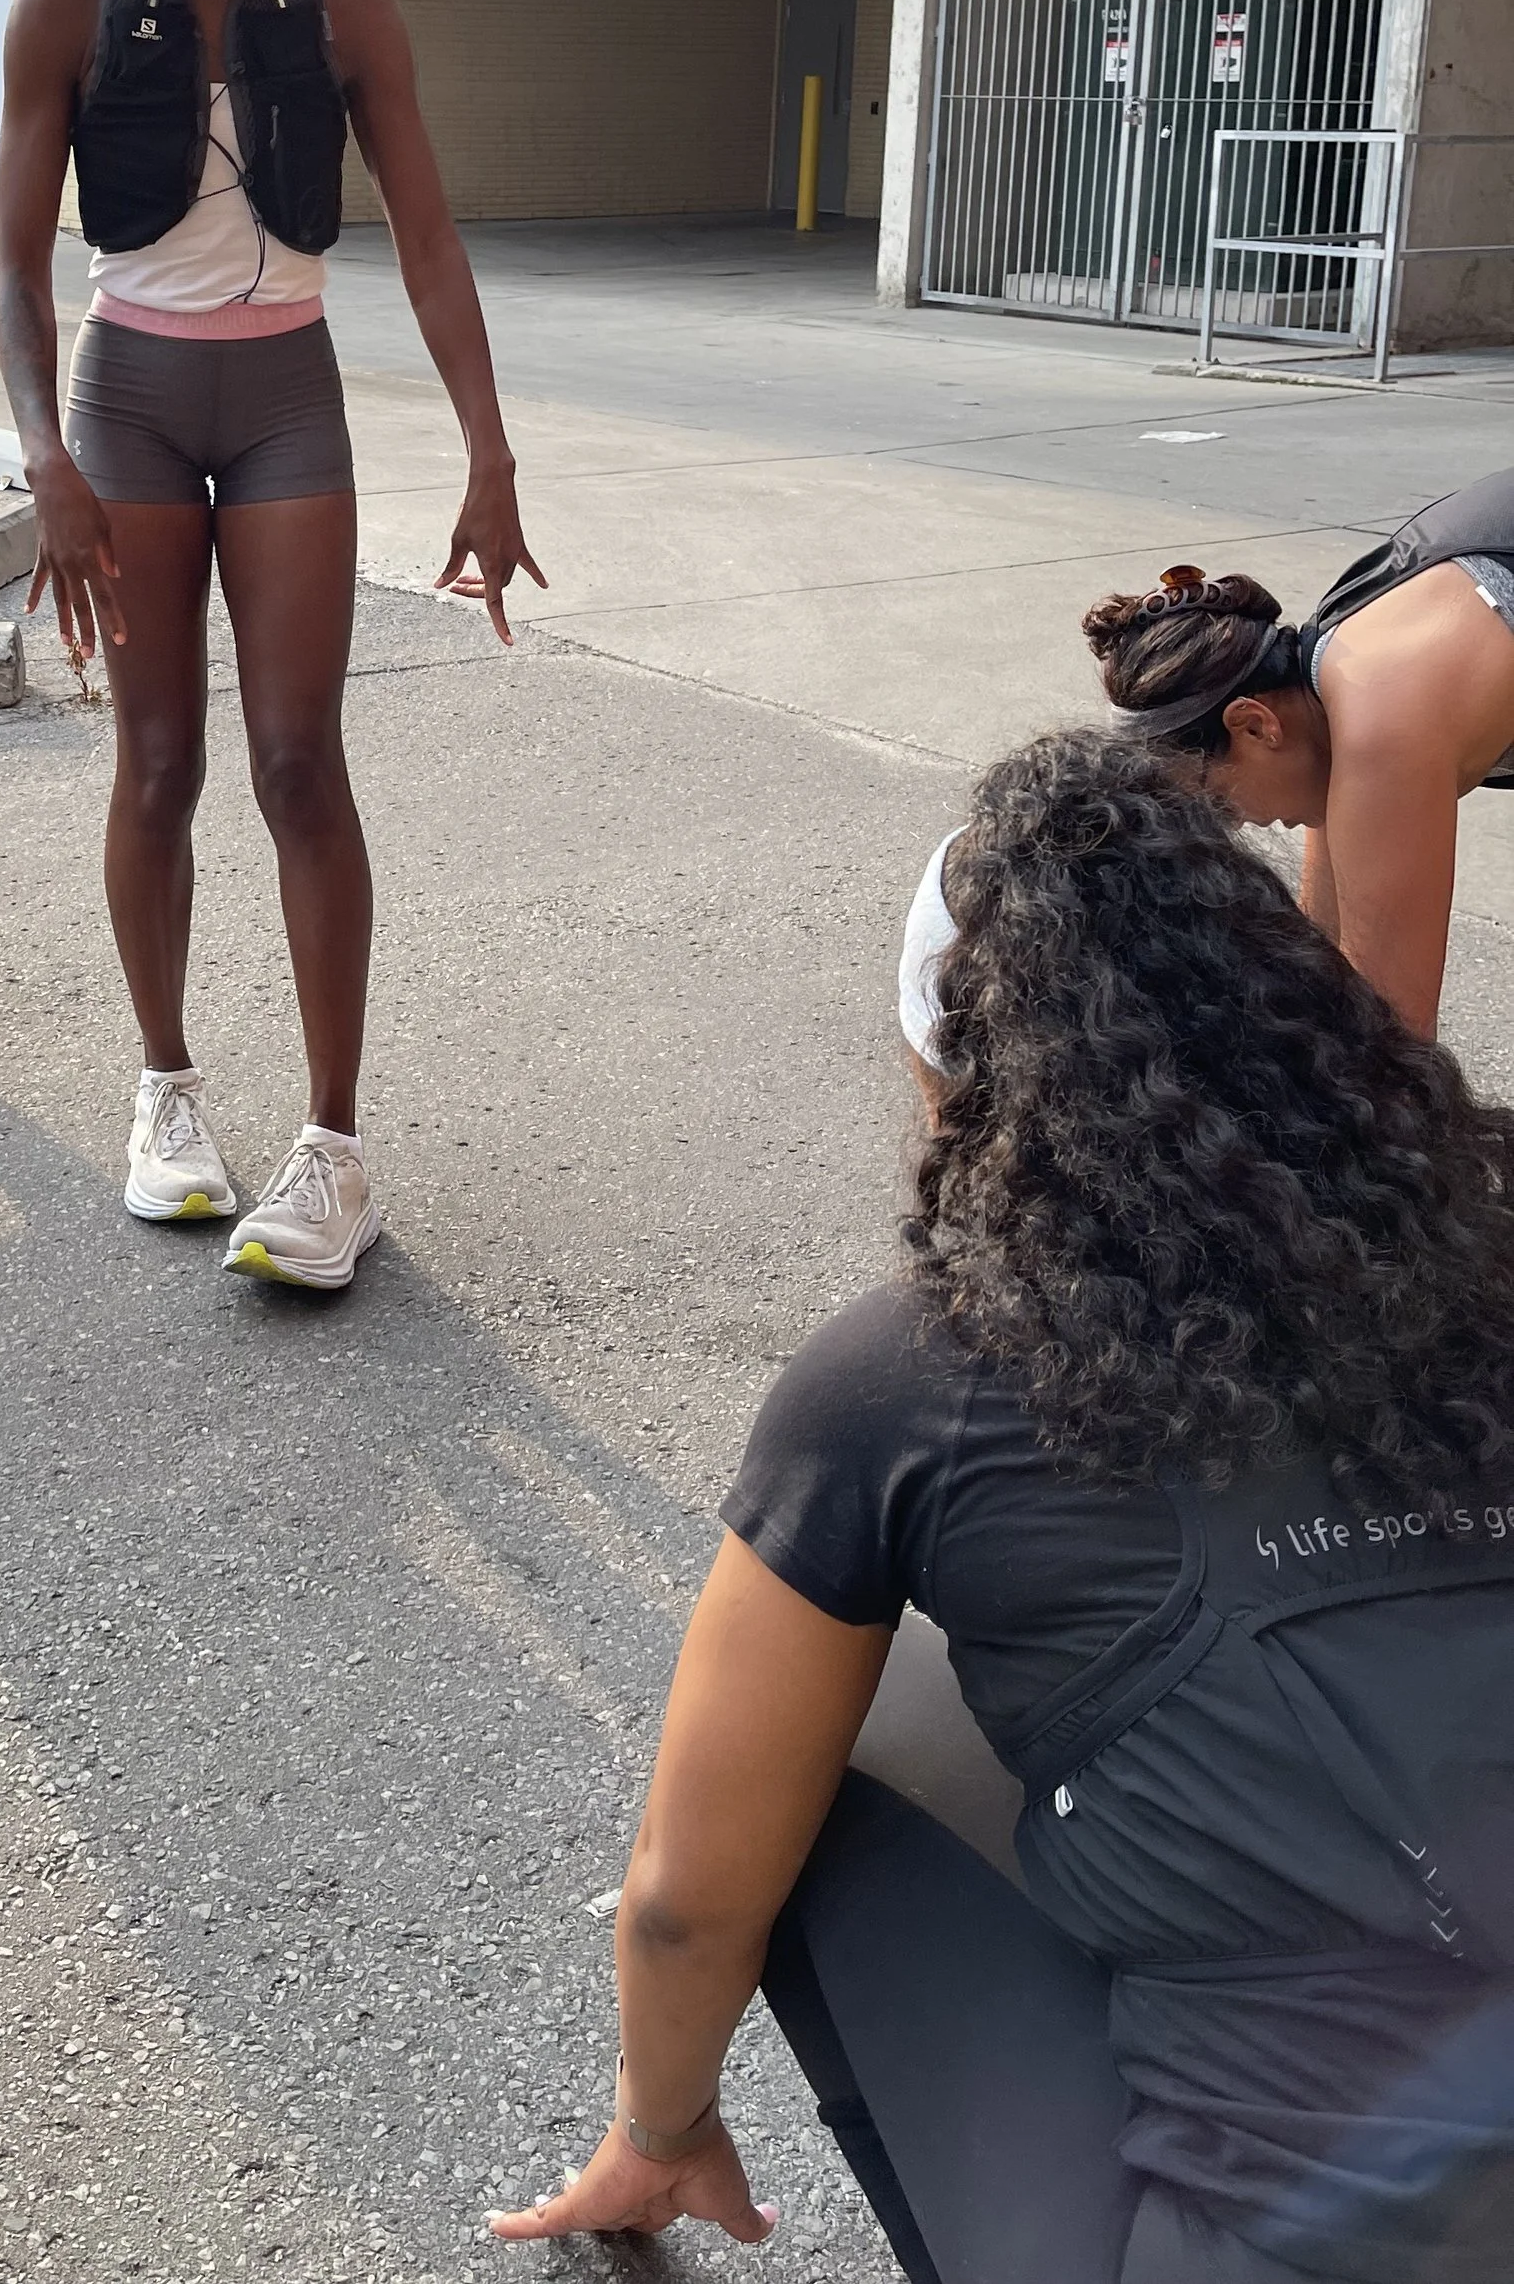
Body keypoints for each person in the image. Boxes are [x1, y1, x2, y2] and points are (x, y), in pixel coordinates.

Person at [494, 730, 1514, 2283]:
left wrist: (661, 2124)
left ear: (954, 1077)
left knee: (834, 1745)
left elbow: (687, 1903)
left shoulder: (913, 1377)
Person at [0, 0, 542, 1289]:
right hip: (129, 402)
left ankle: (333, 1152)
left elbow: (428, 241)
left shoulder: (349, 2)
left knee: (300, 764)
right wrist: (45, 459)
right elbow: (15, 267)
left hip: (287, 390)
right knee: (156, 761)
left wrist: (490, 452)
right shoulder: (67, 1)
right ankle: (164, 1094)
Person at [1078, 465, 1514, 1037]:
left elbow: (1394, 1039)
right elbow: (1324, 963)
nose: (1239, 826)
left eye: (1217, 805)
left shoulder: (1381, 726)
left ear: (1254, 726)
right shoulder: (1326, 692)